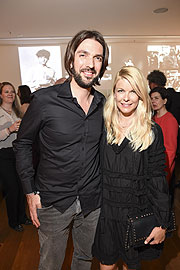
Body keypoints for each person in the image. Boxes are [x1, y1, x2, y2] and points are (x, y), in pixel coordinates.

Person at [13, 30, 109, 269]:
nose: (90, 63)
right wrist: (29, 191)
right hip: (53, 201)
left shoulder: (102, 104)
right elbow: (23, 143)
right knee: (51, 264)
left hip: (91, 201)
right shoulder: (45, 101)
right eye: (83, 55)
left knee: (84, 258)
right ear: (70, 60)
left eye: (97, 57)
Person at [92, 66, 171, 270]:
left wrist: (162, 223)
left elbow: (157, 179)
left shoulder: (152, 131)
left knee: (131, 266)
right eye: (121, 91)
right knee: (106, 265)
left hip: (136, 213)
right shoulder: (103, 125)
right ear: (114, 94)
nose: (126, 98)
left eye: (133, 91)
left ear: (141, 96)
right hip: (106, 214)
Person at [0, 82, 32, 231]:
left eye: (12, 91)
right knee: (12, 189)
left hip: (17, 153)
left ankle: (22, 217)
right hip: (4, 155)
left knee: (20, 187)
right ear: (0, 95)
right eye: (6, 92)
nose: (10, 94)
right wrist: (9, 130)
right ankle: (13, 221)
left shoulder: (16, 112)